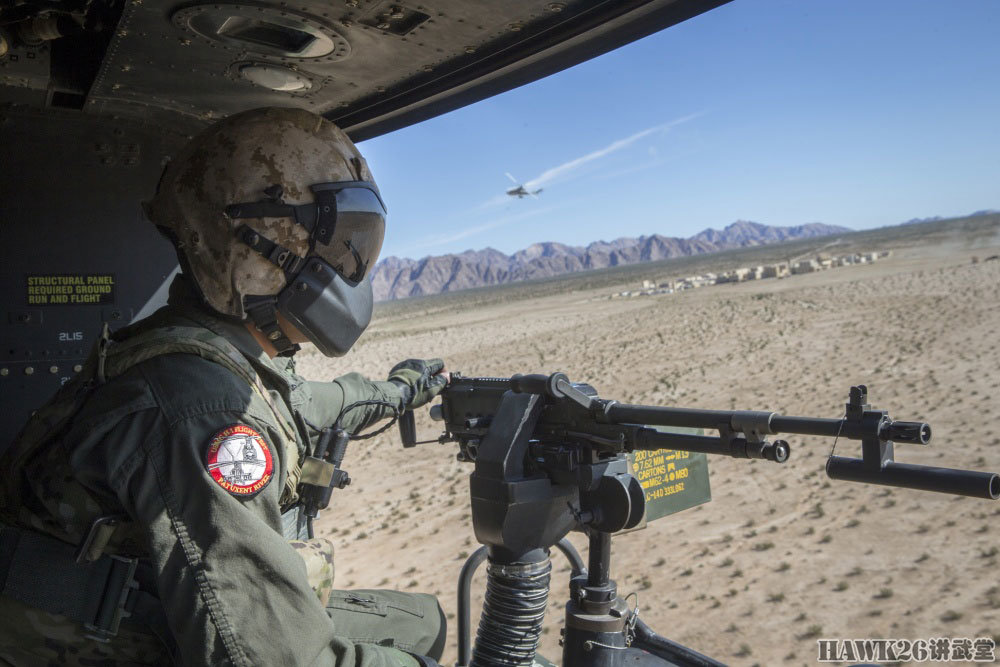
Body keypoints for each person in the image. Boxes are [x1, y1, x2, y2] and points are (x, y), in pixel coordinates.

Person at [0, 107, 448, 666]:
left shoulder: (205, 349)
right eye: (336, 245)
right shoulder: (200, 408)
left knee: (421, 621)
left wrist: (405, 388)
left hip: (146, 609)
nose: (347, 269)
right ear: (250, 248)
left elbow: (310, 404)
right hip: (99, 648)